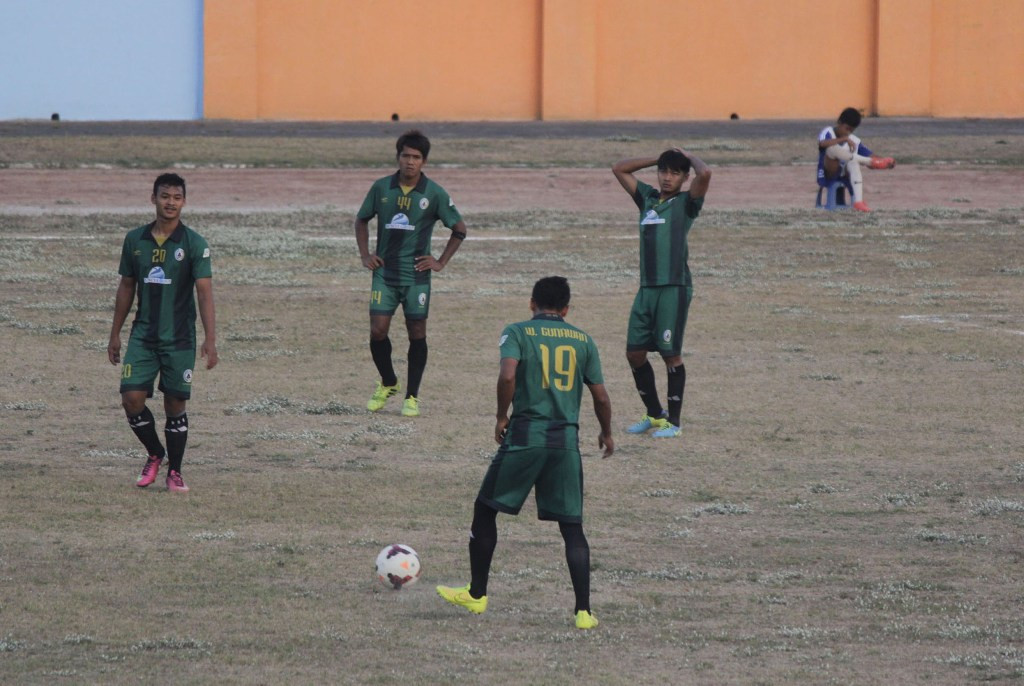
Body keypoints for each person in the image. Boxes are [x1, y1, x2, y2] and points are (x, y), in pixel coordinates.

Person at [436, 276, 614, 630]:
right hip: (565, 443)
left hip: (526, 438)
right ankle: (583, 612)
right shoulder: (584, 340)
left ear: (531, 303)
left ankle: (477, 593)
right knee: (572, 527)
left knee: (485, 509)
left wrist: (502, 415)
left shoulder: (517, 332)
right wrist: (607, 433)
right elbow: (601, 396)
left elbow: (507, 377)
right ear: (566, 309)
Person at [108, 173, 217, 493]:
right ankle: (155, 454)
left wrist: (211, 340)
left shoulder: (195, 244)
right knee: (131, 397)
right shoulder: (135, 240)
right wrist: (114, 333)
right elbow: (126, 287)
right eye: (164, 196)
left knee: (175, 406)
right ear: (153, 198)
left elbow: (205, 294)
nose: (170, 202)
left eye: (176, 197)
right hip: (143, 336)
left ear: (184, 201)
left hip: (180, 338)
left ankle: (176, 472)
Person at [355, 129, 467, 417]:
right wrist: (366, 255)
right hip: (385, 273)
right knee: (377, 331)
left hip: (417, 276)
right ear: (398, 157)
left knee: (416, 333)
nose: (410, 162)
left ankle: (412, 396)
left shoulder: (435, 193)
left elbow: (459, 229)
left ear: (424, 161)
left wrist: (440, 261)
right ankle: (389, 381)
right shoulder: (381, 188)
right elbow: (361, 219)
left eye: (416, 157)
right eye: (405, 155)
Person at [612, 148, 711, 438]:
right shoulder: (647, 198)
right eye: (664, 171)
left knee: (671, 355)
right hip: (646, 288)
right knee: (634, 353)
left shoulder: (687, 203)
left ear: (684, 177)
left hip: (673, 287)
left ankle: (674, 423)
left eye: (674, 173)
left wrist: (689, 155)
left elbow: (705, 173)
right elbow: (619, 168)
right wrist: (659, 157)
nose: (667, 178)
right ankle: (655, 414)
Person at [817, 107, 896, 212]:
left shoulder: (854, 140)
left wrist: (886, 161)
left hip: (845, 175)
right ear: (839, 122)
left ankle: (858, 202)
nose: (847, 133)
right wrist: (843, 139)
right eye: (846, 129)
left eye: (851, 131)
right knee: (832, 149)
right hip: (829, 171)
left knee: (854, 161)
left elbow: (870, 155)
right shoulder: (828, 132)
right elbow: (822, 144)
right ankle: (866, 161)